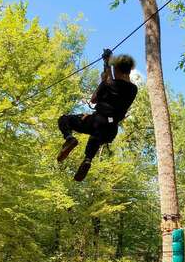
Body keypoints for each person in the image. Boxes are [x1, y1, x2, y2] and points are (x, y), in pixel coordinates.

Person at [57, 50, 138, 181]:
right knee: (97, 137)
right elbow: (115, 79)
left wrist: (102, 79)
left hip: (98, 120)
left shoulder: (107, 84)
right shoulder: (133, 89)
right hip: (111, 127)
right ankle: (88, 159)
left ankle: (69, 138)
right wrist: (107, 63)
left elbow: (93, 99)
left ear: (117, 70)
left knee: (64, 119)